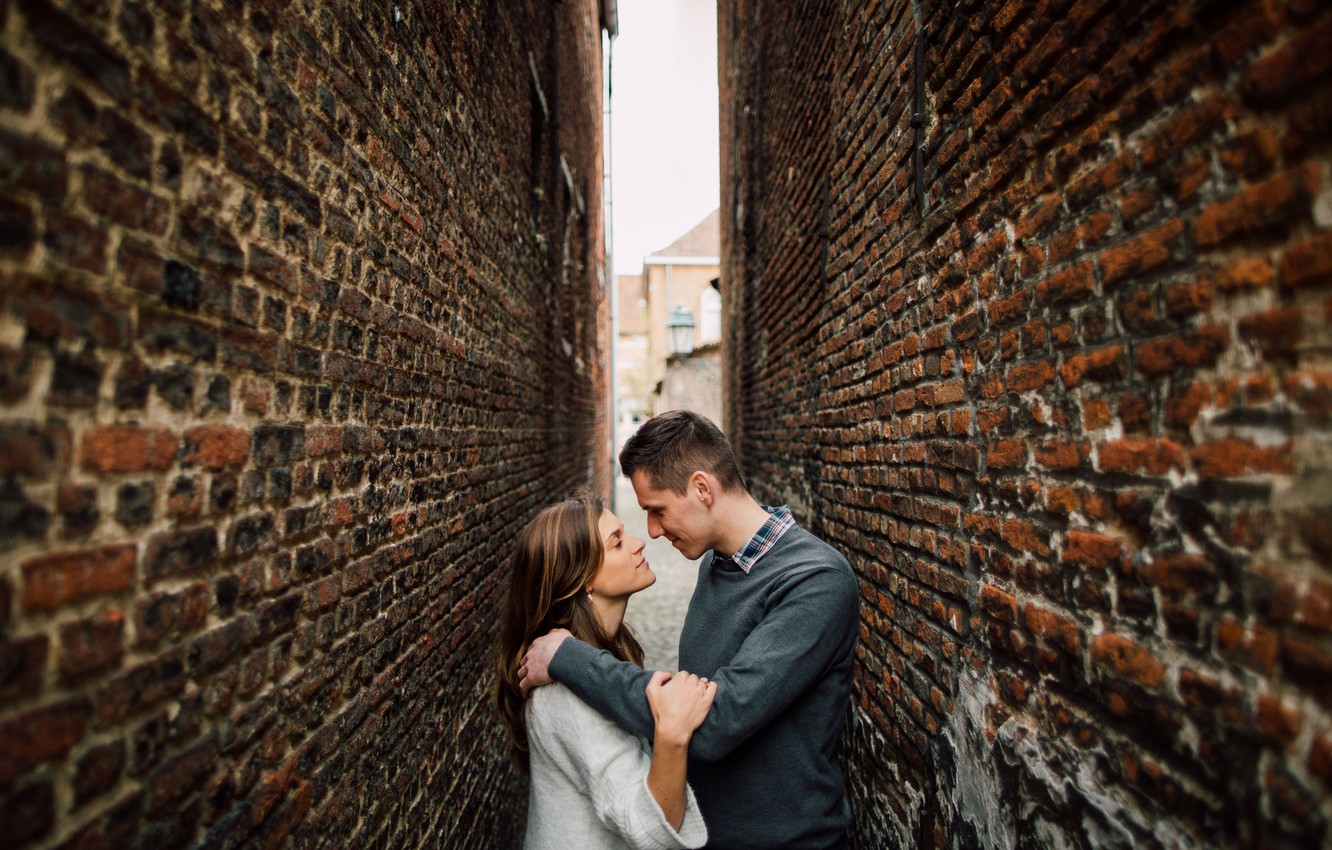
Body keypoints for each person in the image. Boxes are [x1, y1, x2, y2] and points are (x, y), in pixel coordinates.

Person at [519, 411, 860, 849]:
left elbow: (712, 722)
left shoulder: (816, 581)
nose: (653, 532)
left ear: (702, 488)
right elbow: (685, 701)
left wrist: (569, 658)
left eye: (657, 511)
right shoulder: (715, 563)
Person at [495, 492, 717, 850]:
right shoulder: (565, 692)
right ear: (582, 579)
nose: (639, 543)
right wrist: (672, 733)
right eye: (617, 544)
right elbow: (650, 831)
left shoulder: (598, 657)